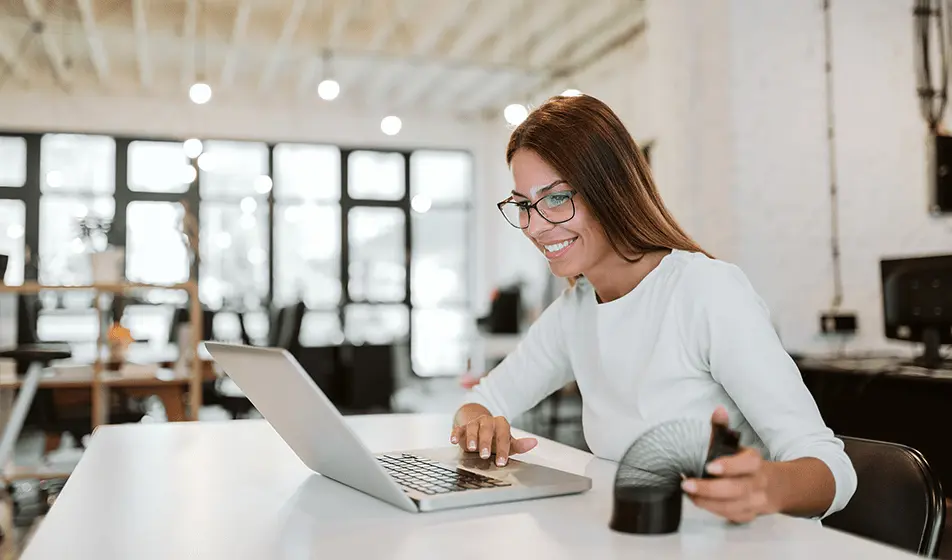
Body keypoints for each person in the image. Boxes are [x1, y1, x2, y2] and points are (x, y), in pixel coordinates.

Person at [451, 94, 856, 523]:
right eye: (524, 205)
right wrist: (480, 424)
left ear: (610, 190)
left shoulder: (705, 291)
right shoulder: (576, 311)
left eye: (555, 198)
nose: (533, 226)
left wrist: (767, 485)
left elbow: (830, 468)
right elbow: (483, 399)